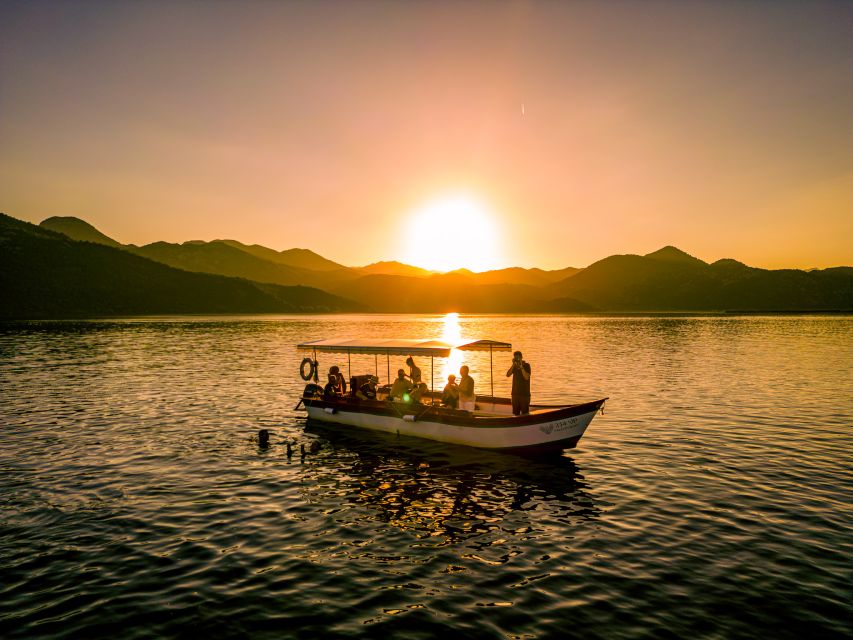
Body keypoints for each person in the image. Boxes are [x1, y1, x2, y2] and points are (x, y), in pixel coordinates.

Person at [506, 350, 531, 415]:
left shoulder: (527, 365)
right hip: (515, 394)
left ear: (521, 357)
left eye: (518, 357)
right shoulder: (514, 366)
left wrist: (521, 367)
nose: (517, 359)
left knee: (525, 414)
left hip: (524, 395)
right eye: (515, 358)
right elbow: (508, 374)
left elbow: (526, 377)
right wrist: (513, 364)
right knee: (515, 414)